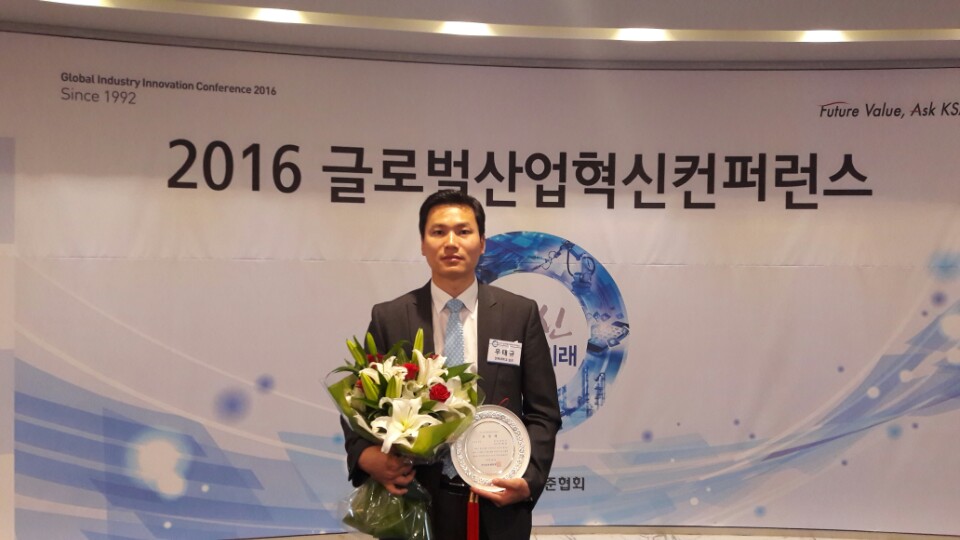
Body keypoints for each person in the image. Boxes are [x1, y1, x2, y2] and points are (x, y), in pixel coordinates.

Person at [342, 189, 562, 540]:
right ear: (422, 244)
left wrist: (529, 479)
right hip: (414, 497)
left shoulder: (519, 314)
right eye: (438, 232)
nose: (451, 242)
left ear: (482, 243)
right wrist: (365, 455)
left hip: (497, 498)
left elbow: (543, 412)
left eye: (463, 231)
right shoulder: (390, 317)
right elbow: (359, 403)